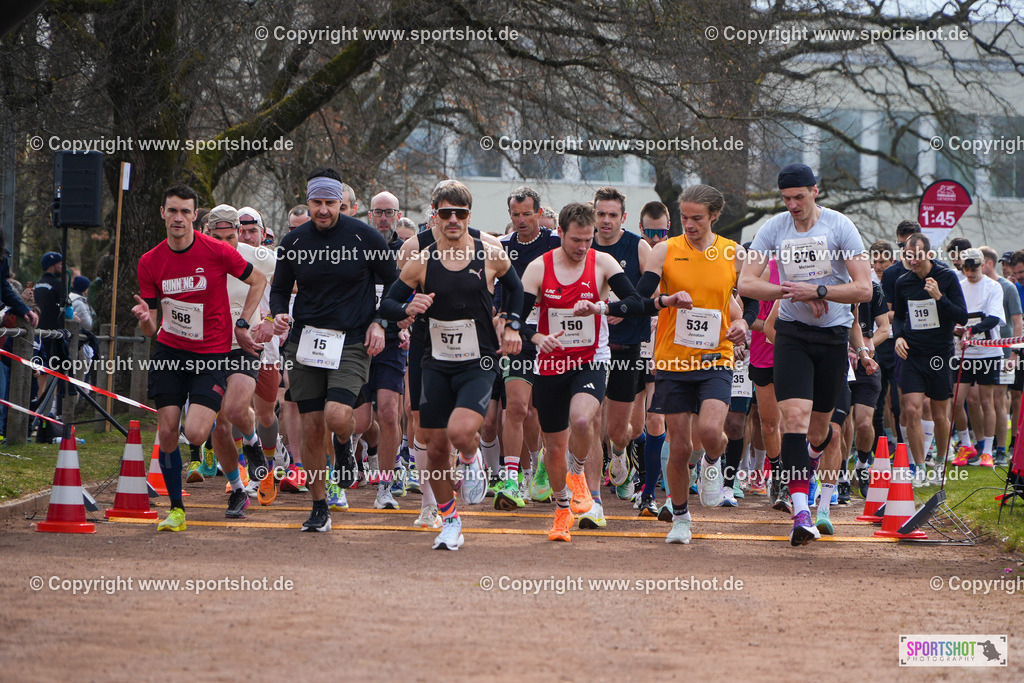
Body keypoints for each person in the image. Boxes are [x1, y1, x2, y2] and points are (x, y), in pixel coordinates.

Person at [380, 180, 523, 550]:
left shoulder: (490, 252)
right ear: (436, 217)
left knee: (460, 432)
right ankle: (450, 520)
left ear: (469, 216)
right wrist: (406, 307)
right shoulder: (421, 261)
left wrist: (511, 324)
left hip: (479, 361)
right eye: (446, 213)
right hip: (435, 363)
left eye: (460, 213)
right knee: (435, 445)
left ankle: (472, 458)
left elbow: (516, 288)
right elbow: (388, 305)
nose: (454, 220)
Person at [518, 202, 670, 542]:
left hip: (591, 358)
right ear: (560, 233)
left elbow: (635, 302)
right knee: (554, 446)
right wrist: (536, 337)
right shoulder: (538, 269)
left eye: (588, 240)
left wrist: (604, 307)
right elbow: (516, 319)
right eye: (576, 240)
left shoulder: (602, 262)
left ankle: (578, 474)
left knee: (583, 419)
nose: (582, 247)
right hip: (551, 362)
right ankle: (562, 510)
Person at [738, 163, 872, 546]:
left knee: (820, 432)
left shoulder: (840, 227)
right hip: (792, 334)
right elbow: (746, 282)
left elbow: (864, 289)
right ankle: (801, 513)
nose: (793, 205)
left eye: (799, 197)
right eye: (786, 199)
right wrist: (789, 291)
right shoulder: (774, 228)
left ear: (815, 191)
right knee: (793, 419)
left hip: (833, 337)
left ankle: (808, 461)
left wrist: (819, 291)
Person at [133, 184, 267, 532]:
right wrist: (146, 320)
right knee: (167, 430)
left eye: (185, 211)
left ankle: (250, 446)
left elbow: (258, 281)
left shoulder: (216, 251)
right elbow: (151, 326)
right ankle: (176, 510)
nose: (178, 218)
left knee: (195, 433)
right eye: (172, 210)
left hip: (210, 353)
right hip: (170, 352)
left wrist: (243, 322)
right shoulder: (149, 261)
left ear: (195, 216)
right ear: (163, 213)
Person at [270, 167, 396, 532]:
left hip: (352, 339)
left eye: (330, 202)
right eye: (316, 203)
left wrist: (380, 322)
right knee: (311, 427)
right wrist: (279, 314)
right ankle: (319, 505)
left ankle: (344, 444)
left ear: (341, 202)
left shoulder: (365, 237)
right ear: (308, 202)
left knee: (338, 416)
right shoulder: (294, 241)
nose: (323, 210)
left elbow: (394, 283)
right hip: (306, 340)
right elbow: (279, 288)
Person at [630, 186, 747, 543]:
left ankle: (711, 463)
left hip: (716, 357)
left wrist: (743, 323)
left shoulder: (732, 252)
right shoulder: (665, 250)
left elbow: (746, 299)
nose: (690, 224)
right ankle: (680, 518)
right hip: (673, 360)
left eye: (697, 218)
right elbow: (641, 295)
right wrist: (659, 300)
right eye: (684, 217)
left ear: (714, 216)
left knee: (711, 432)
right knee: (679, 446)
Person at [494, 186, 560, 510]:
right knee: (517, 407)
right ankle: (511, 478)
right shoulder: (502, 247)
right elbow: (496, 295)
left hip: (553, 336)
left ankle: (541, 464)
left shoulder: (555, 243)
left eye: (527, 214)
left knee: (542, 411)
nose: (521, 220)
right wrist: (499, 319)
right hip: (517, 336)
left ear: (539, 213)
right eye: (515, 214)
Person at [591, 186, 652, 516]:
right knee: (589, 415)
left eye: (612, 215)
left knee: (620, 429)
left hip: (626, 346)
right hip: (588, 346)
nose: (606, 220)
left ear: (623, 217)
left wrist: (623, 308)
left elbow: (654, 291)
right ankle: (589, 492)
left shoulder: (637, 246)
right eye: (601, 214)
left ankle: (619, 452)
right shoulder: (583, 243)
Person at [891, 232, 967, 478]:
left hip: (939, 355)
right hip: (912, 354)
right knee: (911, 410)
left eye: (918, 256)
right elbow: (899, 317)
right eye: (908, 256)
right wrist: (899, 336)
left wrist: (939, 297)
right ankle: (919, 468)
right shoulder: (903, 282)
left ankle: (941, 463)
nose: (913, 261)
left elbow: (962, 316)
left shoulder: (947, 278)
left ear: (929, 254)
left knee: (939, 414)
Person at [949, 248, 1004, 469]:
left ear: (983, 265)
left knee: (985, 401)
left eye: (974, 268)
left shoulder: (993, 287)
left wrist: (972, 330)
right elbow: (951, 315)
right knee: (956, 401)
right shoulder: (959, 286)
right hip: (962, 352)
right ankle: (966, 444)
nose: (970, 273)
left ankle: (988, 451)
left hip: (988, 352)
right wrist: (956, 329)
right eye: (967, 269)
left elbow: (994, 318)